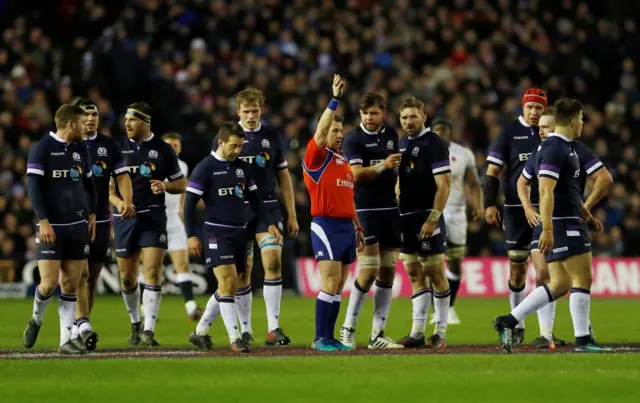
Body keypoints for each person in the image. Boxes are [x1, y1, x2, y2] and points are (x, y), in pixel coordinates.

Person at [493, 98, 614, 353]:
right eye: (581, 119)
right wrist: (547, 228)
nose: (582, 124)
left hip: (564, 220)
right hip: (562, 223)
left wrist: (586, 211)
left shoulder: (562, 148)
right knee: (583, 278)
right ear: (572, 121)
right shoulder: (555, 149)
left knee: (559, 284)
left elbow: (554, 188)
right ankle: (583, 340)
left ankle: (509, 320)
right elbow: (545, 191)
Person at [184, 122, 281, 353]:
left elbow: (256, 200)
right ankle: (235, 337)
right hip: (217, 232)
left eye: (240, 146)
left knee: (232, 284)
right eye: (234, 146)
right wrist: (191, 236)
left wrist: (269, 224)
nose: (237, 151)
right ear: (221, 142)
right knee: (227, 282)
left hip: (240, 231)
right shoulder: (206, 167)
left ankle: (200, 332)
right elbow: (189, 204)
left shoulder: (241, 169)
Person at [109, 102, 187, 347]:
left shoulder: (163, 149)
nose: (126, 124)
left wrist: (165, 186)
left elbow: (181, 183)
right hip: (125, 219)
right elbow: (108, 189)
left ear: (144, 122)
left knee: (152, 272)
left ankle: (149, 330)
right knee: (127, 279)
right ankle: (135, 322)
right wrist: (119, 203)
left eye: (131, 120)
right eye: (125, 120)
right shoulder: (117, 148)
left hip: (153, 216)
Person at [22, 104, 96, 355]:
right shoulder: (42, 148)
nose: (87, 126)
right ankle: (36, 319)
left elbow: (88, 184)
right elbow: (33, 188)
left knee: (69, 285)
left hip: (77, 226)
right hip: (51, 227)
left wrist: (92, 214)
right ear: (70, 124)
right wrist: (43, 220)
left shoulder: (80, 150)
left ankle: (65, 342)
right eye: (82, 121)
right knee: (48, 284)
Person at [303, 75, 365, 351]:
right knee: (329, 281)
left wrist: (358, 227)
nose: (339, 135)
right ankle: (319, 338)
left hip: (346, 227)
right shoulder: (316, 158)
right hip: (325, 224)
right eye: (334, 131)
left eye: (341, 132)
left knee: (339, 284)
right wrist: (335, 98)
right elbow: (320, 131)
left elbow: (348, 198)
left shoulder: (342, 161)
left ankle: (330, 338)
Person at [233, 88, 299, 346]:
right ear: (238, 112)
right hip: (238, 210)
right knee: (243, 271)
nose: (251, 115)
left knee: (272, 262)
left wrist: (291, 214)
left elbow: (283, 176)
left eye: (255, 110)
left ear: (261, 110)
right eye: (246, 111)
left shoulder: (271, 135)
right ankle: (245, 329)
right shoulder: (227, 135)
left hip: (268, 207)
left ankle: (273, 327)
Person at [339, 92, 403, 350]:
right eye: (365, 113)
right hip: (365, 210)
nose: (369, 117)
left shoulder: (391, 136)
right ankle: (348, 328)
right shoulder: (353, 139)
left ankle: (378, 334)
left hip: (390, 210)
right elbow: (354, 175)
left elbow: (395, 169)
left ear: (383, 114)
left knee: (388, 271)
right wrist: (382, 166)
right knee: (368, 271)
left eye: (373, 113)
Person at [484, 88, 547, 344]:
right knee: (517, 269)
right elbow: (492, 171)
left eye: (538, 108)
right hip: (514, 209)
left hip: (545, 209)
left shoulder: (550, 132)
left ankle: (546, 333)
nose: (533, 112)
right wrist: (490, 203)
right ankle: (517, 323)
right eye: (530, 107)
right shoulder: (509, 132)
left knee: (543, 271)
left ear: (545, 110)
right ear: (523, 107)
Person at [69, 99, 132, 351]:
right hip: (74, 220)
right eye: (85, 114)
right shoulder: (67, 144)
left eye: (94, 114)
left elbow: (122, 176)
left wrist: (127, 200)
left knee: (91, 280)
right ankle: (79, 328)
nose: (90, 118)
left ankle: (80, 327)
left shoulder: (109, 145)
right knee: (80, 276)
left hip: (103, 221)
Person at [395, 97, 452, 349]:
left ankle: (440, 331)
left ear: (423, 117)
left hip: (427, 215)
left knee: (434, 272)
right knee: (414, 274)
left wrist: (433, 218)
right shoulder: (402, 143)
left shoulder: (434, 143)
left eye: (413, 117)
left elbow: (444, 185)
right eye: (405, 117)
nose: (409, 121)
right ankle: (417, 331)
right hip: (405, 217)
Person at [429, 117, 483, 325]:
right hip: (433, 211)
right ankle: (437, 310)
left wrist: (478, 206)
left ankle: (449, 307)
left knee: (455, 262)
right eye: (437, 129)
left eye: (444, 129)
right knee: (432, 261)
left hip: (457, 212)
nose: (441, 133)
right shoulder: (425, 150)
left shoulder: (463, 153)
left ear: (450, 132)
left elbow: (473, 183)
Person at [162, 132, 203, 321]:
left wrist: (182, 209)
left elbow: (184, 191)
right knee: (149, 268)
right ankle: (145, 310)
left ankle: (191, 307)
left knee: (182, 263)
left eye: (175, 145)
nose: (172, 148)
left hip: (174, 221)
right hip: (155, 220)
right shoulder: (153, 164)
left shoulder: (183, 166)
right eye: (168, 145)